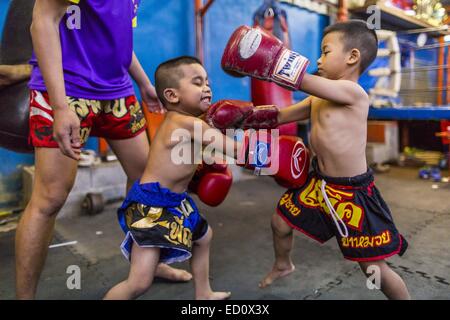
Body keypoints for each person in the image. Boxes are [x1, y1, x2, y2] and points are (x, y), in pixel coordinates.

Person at [213, 20, 410, 299]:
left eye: (326, 51)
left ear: (352, 57)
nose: (318, 58)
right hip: (319, 184)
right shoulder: (317, 98)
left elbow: (302, 79)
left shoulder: (353, 94)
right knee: (280, 222)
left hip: (352, 193)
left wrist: (270, 58)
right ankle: (283, 265)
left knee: (372, 267)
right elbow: (280, 116)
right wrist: (244, 116)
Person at [16, 0, 190, 299]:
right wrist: (59, 106)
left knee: (147, 182)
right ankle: (24, 297)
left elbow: (118, 38)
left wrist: (145, 83)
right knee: (50, 198)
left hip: (117, 90)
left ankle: (148, 265)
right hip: (66, 87)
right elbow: (42, 20)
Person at [103, 56, 233, 300]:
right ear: (172, 96)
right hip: (153, 206)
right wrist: (268, 148)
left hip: (175, 201)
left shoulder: (190, 123)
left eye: (207, 82)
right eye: (197, 82)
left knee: (204, 237)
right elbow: (233, 149)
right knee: (139, 283)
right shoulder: (186, 124)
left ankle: (203, 293)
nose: (206, 87)